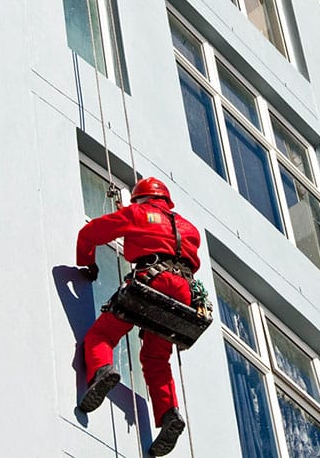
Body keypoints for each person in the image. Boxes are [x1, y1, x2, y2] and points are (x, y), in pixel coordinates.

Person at [76, 177, 200, 457]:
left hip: (153, 280)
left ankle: (102, 371)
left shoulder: (138, 213)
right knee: (156, 358)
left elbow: (91, 234)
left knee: (102, 334)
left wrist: (88, 264)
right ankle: (169, 414)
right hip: (185, 294)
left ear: (140, 199)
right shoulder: (188, 228)